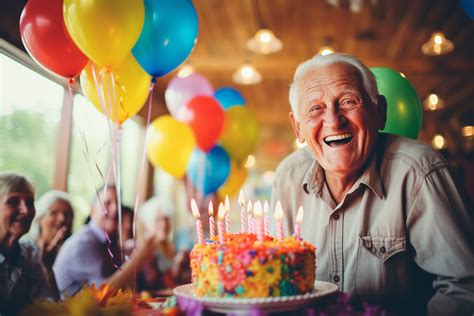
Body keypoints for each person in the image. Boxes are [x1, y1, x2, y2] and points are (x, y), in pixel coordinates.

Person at [271, 53, 474, 315]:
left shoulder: (420, 172)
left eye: (348, 101)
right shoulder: (288, 177)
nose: (333, 120)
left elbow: (465, 288)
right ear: (297, 127)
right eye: (315, 108)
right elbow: (280, 281)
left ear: (380, 111)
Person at [53, 185, 162, 298]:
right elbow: (104, 293)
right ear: (92, 210)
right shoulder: (83, 243)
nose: (115, 209)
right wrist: (138, 258)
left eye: (118, 204)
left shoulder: (107, 242)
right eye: (107, 203)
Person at [0, 172, 58, 314]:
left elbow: (49, 306)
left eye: (30, 202)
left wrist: (49, 269)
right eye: (13, 202)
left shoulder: (30, 252)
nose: (25, 210)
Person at [136, 197, 191, 293]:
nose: (164, 224)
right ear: (147, 223)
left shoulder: (170, 245)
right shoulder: (144, 246)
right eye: (157, 220)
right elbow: (151, 283)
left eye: (166, 219)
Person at [28, 190, 74, 268]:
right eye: (53, 213)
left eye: (66, 214)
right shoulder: (28, 250)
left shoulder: (73, 250)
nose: (62, 218)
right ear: (39, 218)